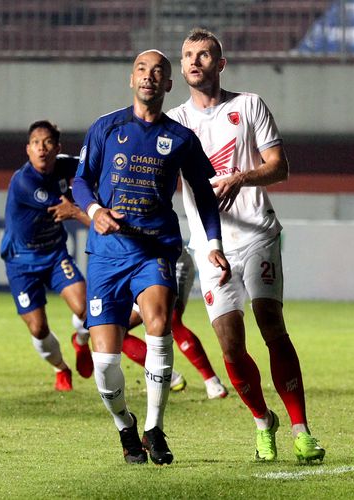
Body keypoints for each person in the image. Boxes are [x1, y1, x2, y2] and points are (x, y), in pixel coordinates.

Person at [166, 28, 325, 463]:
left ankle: (301, 430)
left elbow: (279, 167)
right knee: (231, 345)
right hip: (208, 245)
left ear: (220, 64)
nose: (195, 62)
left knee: (271, 323)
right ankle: (262, 421)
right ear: (181, 69)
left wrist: (239, 177)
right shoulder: (175, 123)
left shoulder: (248, 105)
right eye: (188, 56)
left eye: (204, 55)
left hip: (256, 233)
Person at [72, 49, 229, 465]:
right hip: (106, 255)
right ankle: (126, 426)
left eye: (158, 71)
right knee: (106, 363)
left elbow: (205, 196)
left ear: (167, 85)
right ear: (132, 79)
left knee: (160, 325)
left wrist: (213, 245)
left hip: (155, 249)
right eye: (142, 69)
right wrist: (95, 212)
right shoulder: (105, 128)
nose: (149, 76)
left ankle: (155, 429)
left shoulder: (181, 139)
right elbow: (81, 181)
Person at [1, 120, 94, 392]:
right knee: (38, 329)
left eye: (48, 142)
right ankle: (61, 368)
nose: (42, 148)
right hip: (20, 261)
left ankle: (81, 341)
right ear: (27, 149)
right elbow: (67, 209)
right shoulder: (25, 182)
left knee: (87, 310)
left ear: (57, 148)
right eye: (35, 143)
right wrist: (100, 214)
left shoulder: (67, 164)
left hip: (54, 254)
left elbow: (94, 162)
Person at [126, 246, 229, 400]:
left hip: (171, 261)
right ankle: (168, 377)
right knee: (115, 331)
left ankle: (211, 381)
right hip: (142, 270)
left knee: (171, 319)